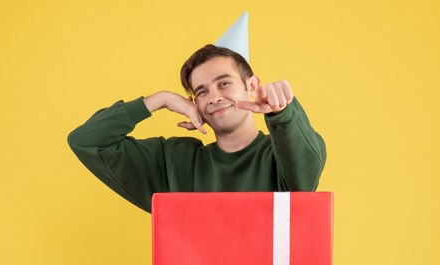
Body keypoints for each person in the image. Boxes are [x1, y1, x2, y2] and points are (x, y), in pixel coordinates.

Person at [67, 44, 326, 213]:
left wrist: (282, 113)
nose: (213, 97)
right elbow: (87, 141)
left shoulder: (281, 155)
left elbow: (307, 170)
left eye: (223, 83)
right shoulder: (176, 162)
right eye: (202, 91)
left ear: (251, 85)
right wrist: (158, 100)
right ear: (194, 104)